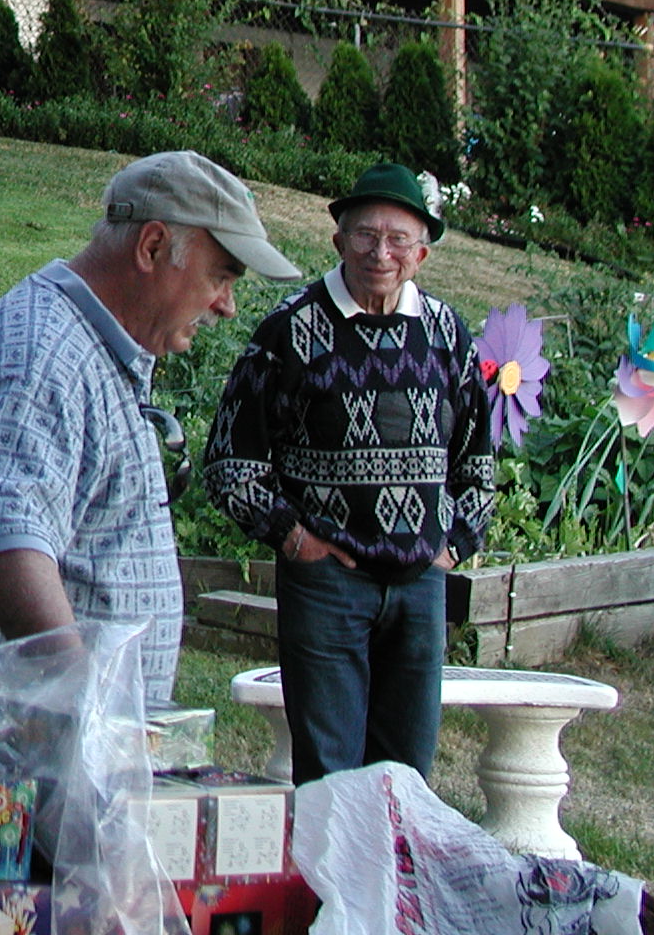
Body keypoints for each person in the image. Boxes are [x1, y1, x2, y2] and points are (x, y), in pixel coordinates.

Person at [0, 150, 300, 798]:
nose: (228, 306)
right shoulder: (39, 354)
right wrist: (91, 732)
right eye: (222, 275)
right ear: (153, 246)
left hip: (39, 780)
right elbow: (11, 553)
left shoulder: (90, 349)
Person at [203, 160, 494, 785]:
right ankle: (327, 887)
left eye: (397, 240)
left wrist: (455, 543)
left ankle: (392, 885)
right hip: (327, 584)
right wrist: (294, 538)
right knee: (330, 774)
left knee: (407, 776)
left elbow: (479, 457)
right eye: (365, 235)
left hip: (421, 588)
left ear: (422, 253)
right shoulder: (292, 332)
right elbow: (231, 458)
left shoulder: (447, 336)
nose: (380, 253)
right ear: (339, 242)